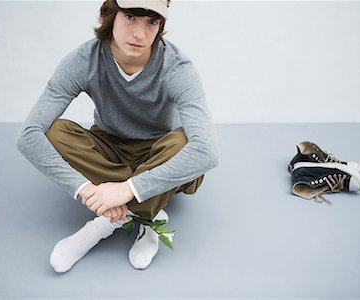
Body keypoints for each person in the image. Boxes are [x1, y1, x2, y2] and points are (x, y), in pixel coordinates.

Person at [16, 0, 219, 272]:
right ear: (111, 14)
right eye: (131, 17)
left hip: (160, 151)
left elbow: (207, 151)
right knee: (55, 132)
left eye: (152, 21)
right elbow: (29, 134)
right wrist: (86, 190)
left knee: (184, 143)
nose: (140, 33)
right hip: (110, 147)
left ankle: (104, 225)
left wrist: (125, 189)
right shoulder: (84, 60)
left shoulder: (177, 68)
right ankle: (148, 209)